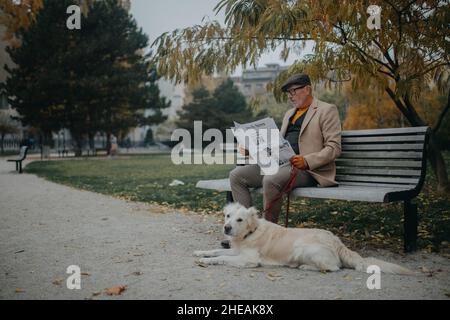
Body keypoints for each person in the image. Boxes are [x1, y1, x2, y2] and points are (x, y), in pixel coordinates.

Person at [227, 73, 342, 235]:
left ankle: (266, 234)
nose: (290, 96)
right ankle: (245, 230)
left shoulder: (326, 110)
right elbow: (277, 146)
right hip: (280, 164)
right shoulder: (290, 114)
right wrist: (251, 151)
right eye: (288, 93)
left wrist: (306, 161)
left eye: (294, 91)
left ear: (307, 89)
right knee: (236, 175)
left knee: (271, 179)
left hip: (308, 170)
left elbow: (334, 148)